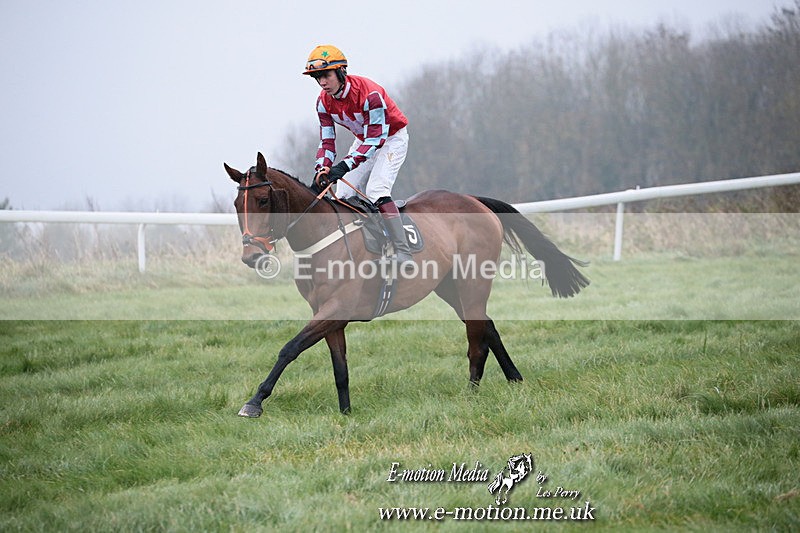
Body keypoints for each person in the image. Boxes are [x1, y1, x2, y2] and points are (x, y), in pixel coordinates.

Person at [303, 44, 413, 267]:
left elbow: (376, 139)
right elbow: (327, 141)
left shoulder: (369, 94)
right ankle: (361, 249)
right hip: (365, 140)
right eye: (317, 78)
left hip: (391, 138)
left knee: (377, 189)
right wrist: (322, 167)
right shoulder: (323, 102)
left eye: (326, 75)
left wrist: (343, 166)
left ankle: (403, 250)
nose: (322, 82)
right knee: (341, 195)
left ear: (341, 72)